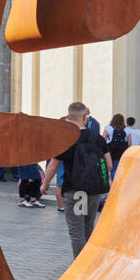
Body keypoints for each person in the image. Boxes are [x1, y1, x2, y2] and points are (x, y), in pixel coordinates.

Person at [41, 102, 113, 257]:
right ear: (85, 117)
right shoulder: (98, 139)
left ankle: (79, 268)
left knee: (76, 231)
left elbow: (53, 166)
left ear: (68, 118)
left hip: (73, 190)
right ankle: (87, 265)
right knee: (88, 228)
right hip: (93, 191)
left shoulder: (65, 140)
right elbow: (109, 165)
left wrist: (45, 184)